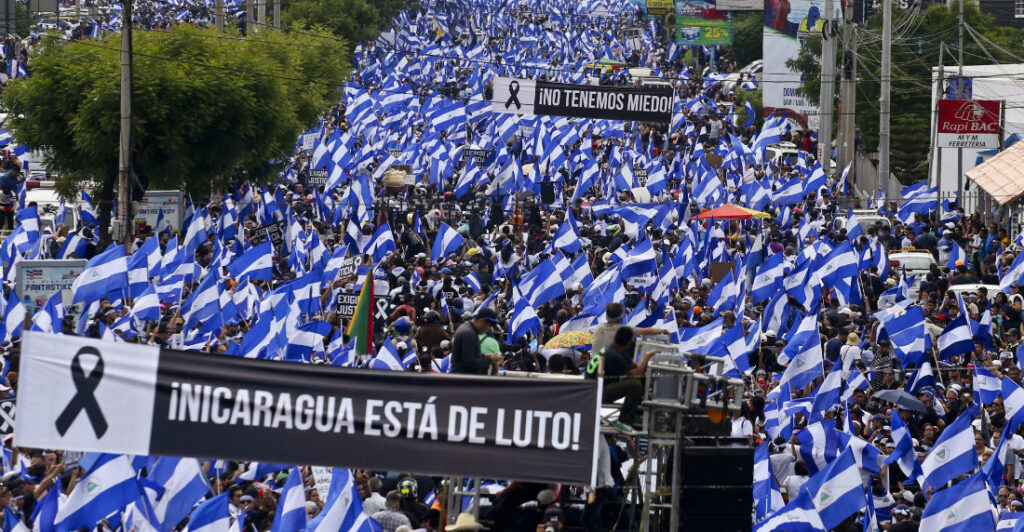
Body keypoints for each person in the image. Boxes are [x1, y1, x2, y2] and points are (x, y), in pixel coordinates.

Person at [585, 326, 657, 429]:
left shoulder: (612, 348)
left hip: (596, 389)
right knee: (634, 384)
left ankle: (637, 413)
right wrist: (648, 356)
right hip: (596, 394)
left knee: (640, 379)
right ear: (628, 344)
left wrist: (645, 373)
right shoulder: (613, 355)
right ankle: (624, 421)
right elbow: (638, 372)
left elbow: (632, 365)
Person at [590, 303, 668, 356]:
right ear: (621, 317)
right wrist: (663, 330)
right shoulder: (622, 330)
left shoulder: (599, 327)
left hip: (594, 369)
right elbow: (647, 330)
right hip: (610, 371)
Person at [450, 308, 501, 374]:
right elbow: (469, 362)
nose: (488, 329)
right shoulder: (469, 333)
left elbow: (467, 355)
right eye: (488, 326)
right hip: (463, 380)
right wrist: (490, 360)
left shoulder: (467, 328)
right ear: (482, 321)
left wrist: (484, 356)